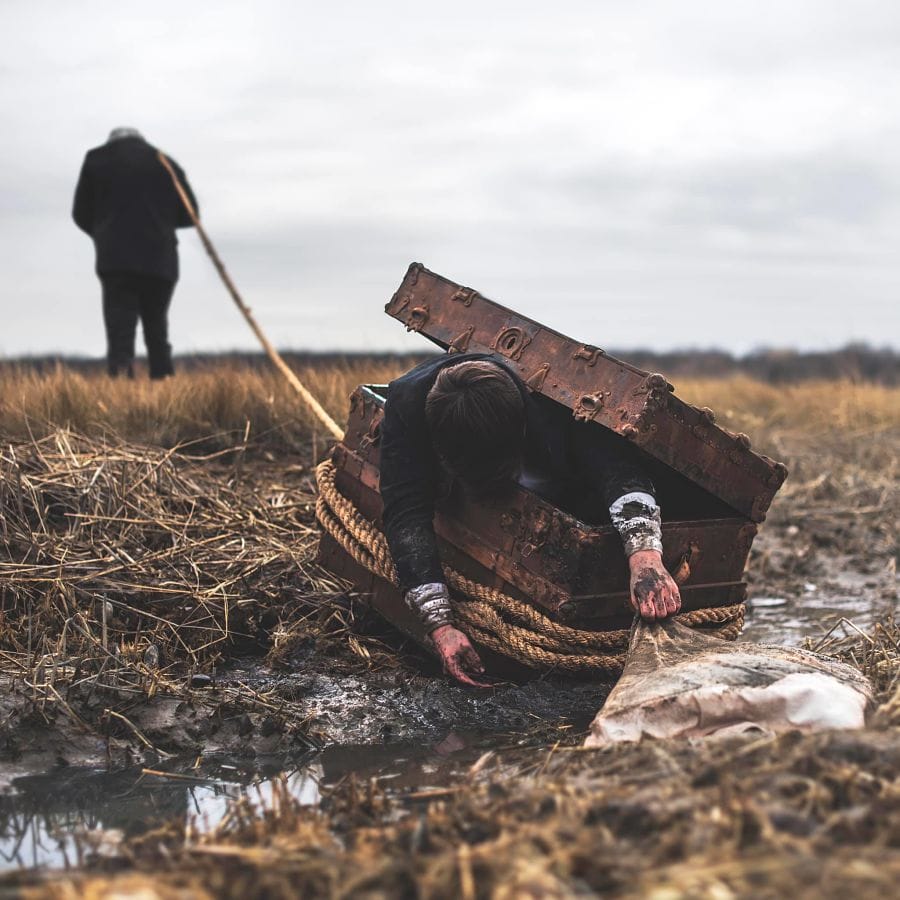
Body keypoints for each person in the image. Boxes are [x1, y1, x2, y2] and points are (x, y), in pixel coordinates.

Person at [380, 354, 682, 687]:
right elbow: (405, 508)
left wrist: (645, 556)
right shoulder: (407, 404)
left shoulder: (560, 402)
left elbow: (617, 469)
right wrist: (440, 626)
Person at [72, 127, 198, 379]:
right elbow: (189, 214)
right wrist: (160, 224)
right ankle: (163, 383)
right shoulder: (165, 162)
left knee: (120, 330)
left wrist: (103, 232)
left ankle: (121, 386)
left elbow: (80, 212)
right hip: (160, 258)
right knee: (157, 327)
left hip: (116, 259)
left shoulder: (97, 160)